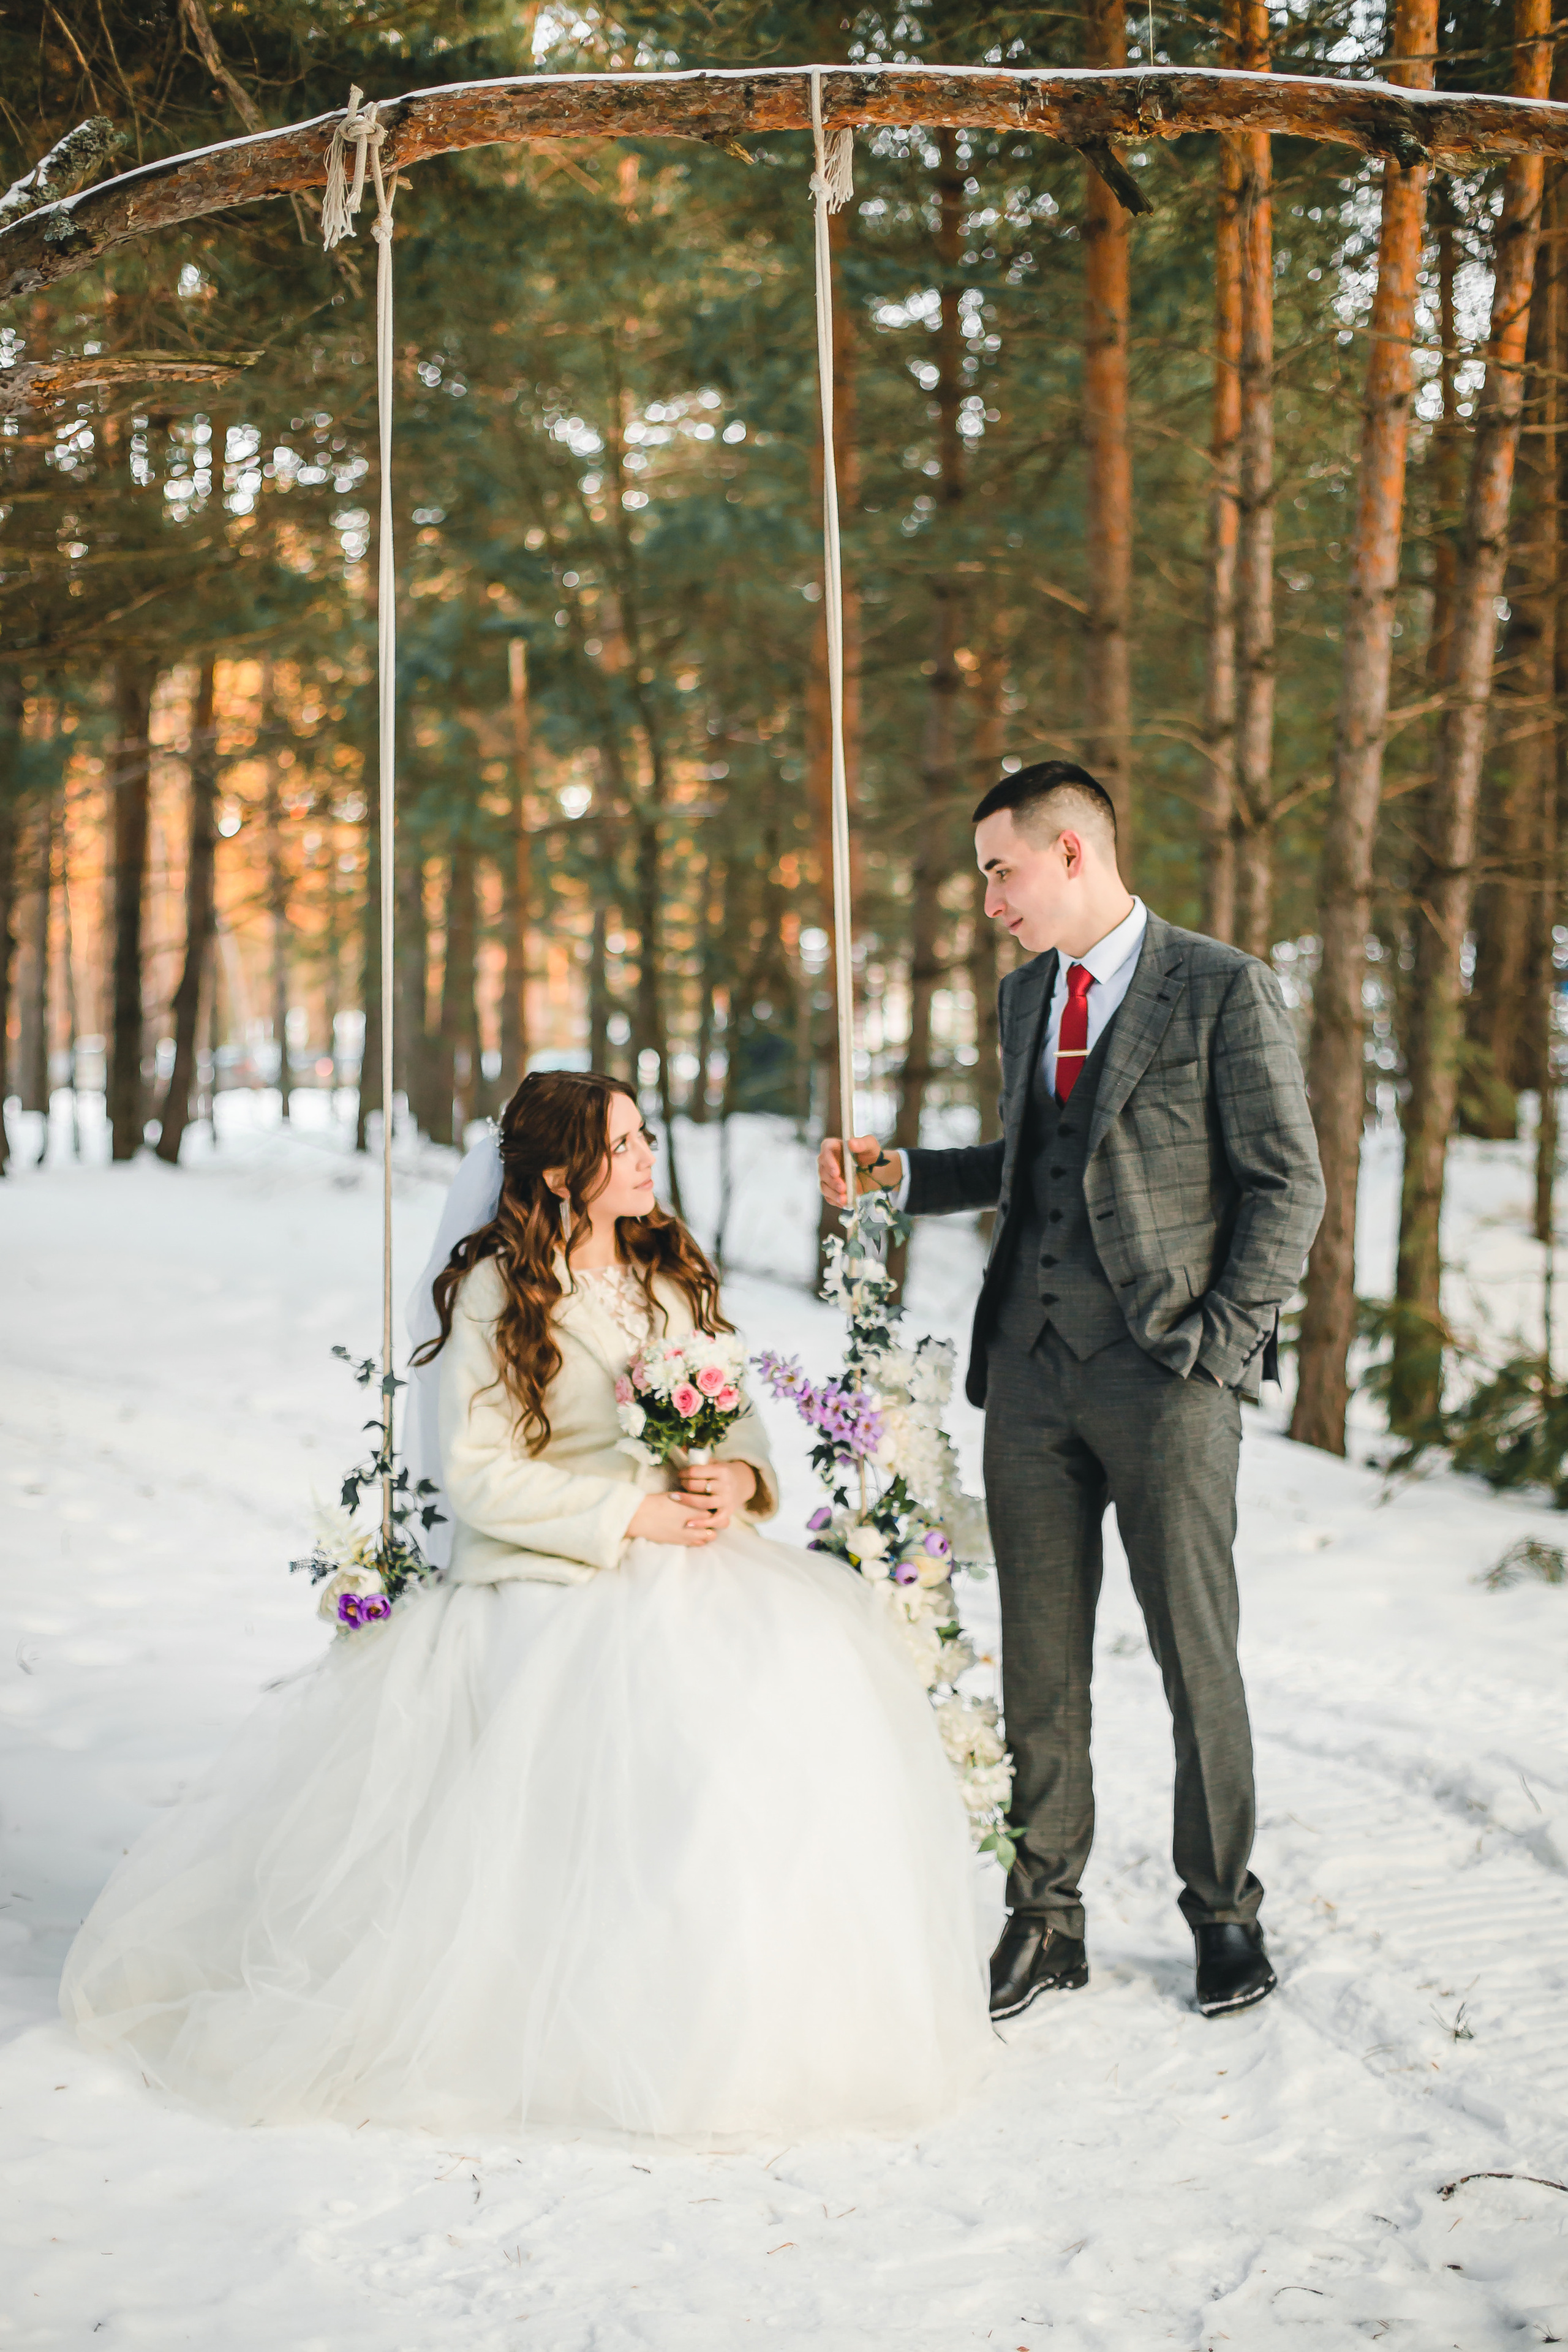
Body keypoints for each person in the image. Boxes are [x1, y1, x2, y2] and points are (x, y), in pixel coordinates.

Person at [62, 1071, 993, 2143]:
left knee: (799, 1690)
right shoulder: (499, 1296)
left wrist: (734, 1481)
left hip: (705, 1555)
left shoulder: (672, 1274)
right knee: (660, 1729)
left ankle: (777, 2009)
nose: (649, 1158)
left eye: (647, 1137)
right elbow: (479, 1476)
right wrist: (629, 1517)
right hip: (559, 1572)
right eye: (626, 1143)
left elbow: (738, 1426)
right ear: (561, 1173)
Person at [820, 761, 1325, 2022]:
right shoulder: (1022, 997)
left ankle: (1221, 1915)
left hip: (1167, 1379)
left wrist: (1216, 1345)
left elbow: (1284, 1184)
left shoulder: (1218, 987)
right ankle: (1043, 1917)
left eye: (999, 870)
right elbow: (1025, 1160)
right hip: (1029, 1380)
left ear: (1067, 854)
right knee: (1037, 1664)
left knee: (1189, 1652)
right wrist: (899, 1176)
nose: (987, 897)